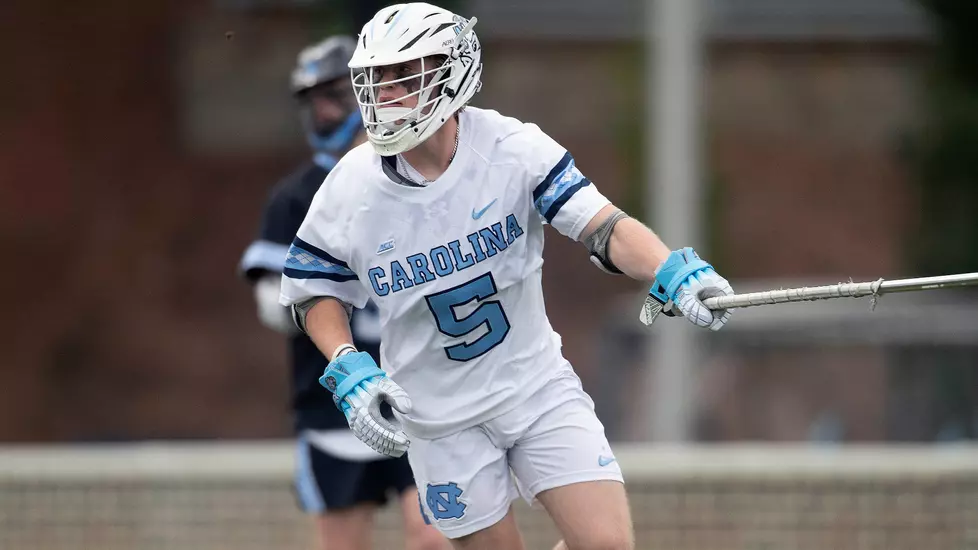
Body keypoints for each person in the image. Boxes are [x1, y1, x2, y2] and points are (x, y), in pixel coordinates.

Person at [278, 4, 735, 550]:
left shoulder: (512, 149)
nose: (384, 95)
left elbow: (603, 226)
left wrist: (671, 268)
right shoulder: (351, 185)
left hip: (535, 388)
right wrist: (347, 363)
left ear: (451, 75)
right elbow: (312, 291)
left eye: (403, 77)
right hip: (439, 418)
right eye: (376, 80)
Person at [239, 35, 447, 550]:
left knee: (435, 537)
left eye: (337, 95)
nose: (327, 111)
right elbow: (273, 304)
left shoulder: (419, 175)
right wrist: (327, 296)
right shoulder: (296, 196)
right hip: (336, 405)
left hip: (419, 398)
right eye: (317, 100)